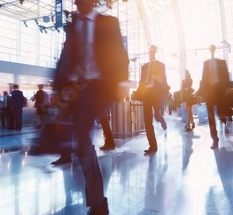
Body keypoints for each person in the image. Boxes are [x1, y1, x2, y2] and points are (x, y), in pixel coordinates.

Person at [52, 0, 129, 213]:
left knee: (80, 133)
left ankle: (97, 202)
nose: (79, 3)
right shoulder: (73, 26)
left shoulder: (108, 23)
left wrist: (122, 82)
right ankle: (98, 202)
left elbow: (119, 54)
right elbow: (65, 58)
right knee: (80, 139)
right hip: (77, 88)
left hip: (99, 87)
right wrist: (56, 88)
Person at [197, 44, 230, 149]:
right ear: (209, 50)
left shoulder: (221, 62)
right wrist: (200, 94)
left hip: (220, 90)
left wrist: (227, 89)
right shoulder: (205, 63)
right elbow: (203, 78)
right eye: (210, 48)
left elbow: (226, 76)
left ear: (215, 49)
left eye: (213, 48)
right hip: (210, 92)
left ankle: (225, 123)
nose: (212, 50)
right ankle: (215, 140)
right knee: (211, 116)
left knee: (222, 113)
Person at [139, 45, 168, 153]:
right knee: (147, 120)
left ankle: (162, 121)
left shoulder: (161, 66)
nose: (152, 53)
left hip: (156, 94)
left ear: (155, 52)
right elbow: (140, 81)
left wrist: (159, 79)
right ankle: (153, 145)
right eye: (150, 52)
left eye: (153, 51)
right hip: (146, 94)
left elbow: (164, 81)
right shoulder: (144, 67)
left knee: (157, 115)